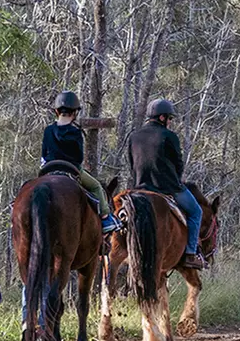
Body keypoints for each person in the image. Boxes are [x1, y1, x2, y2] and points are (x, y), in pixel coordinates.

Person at [127, 98, 207, 270]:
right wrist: (176, 181)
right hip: (168, 187)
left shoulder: (134, 136)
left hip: (139, 188)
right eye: (169, 118)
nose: (170, 122)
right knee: (196, 212)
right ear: (162, 118)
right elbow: (178, 163)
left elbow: (132, 164)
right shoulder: (169, 136)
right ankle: (191, 254)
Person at [41, 90, 119, 234]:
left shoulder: (48, 130)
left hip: (48, 169)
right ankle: (106, 217)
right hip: (71, 169)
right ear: (74, 113)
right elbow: (78, 158)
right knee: (96, 186)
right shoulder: (75, 132)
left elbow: (44, 154)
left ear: (57, 111)